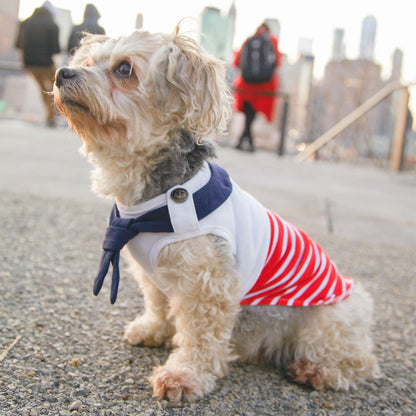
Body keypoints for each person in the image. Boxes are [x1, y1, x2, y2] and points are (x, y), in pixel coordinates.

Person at [233, 23, 282, 151]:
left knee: (248, 114)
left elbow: (237, 61)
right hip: (264, 86)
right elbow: (277, 61)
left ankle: (244, 141)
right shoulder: (272, 41)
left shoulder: (249, 40)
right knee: (251, 115)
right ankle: (248, 142)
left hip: (246, 84)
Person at [15, 4, 60, 127]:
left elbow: (18, 44)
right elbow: (56, 49)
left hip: (29, 63)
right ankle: (51, 116)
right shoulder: (52, 25)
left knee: (42, 88)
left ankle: (49, 115)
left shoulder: (25, 23)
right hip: (46, 63)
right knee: (55, 88)